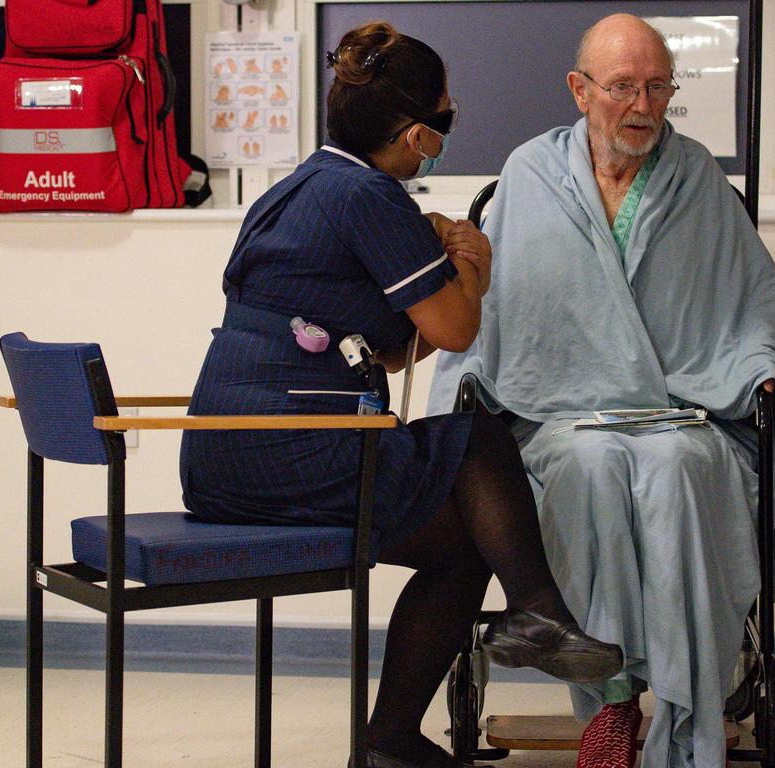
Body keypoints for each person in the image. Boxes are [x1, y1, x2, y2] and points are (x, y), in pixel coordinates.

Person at [180, 21, 623, 768]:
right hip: (281, 446)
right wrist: (472, 264)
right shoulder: (368, 196)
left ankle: (397, 736)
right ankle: (538, 614)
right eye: (446, 113)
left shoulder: (299, 187)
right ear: (420, 134)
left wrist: (430, 263)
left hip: (229, 449)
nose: (449, 125)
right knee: (475, 432)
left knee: (466, 543)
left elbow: (388, 348)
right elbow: (453, 330)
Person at [428, 14, 775, 768]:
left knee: (676, 472)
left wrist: (760, 366)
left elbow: (755, 305)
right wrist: (467, 382)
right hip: (560, 416)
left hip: (683, 414)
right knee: (591, 469)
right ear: (579, 90)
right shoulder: (531, 175)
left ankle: (679, 706)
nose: (642, 106)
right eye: (621, 88)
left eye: (658, 86)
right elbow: (489, 310)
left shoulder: (698, 176)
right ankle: (611, 703)